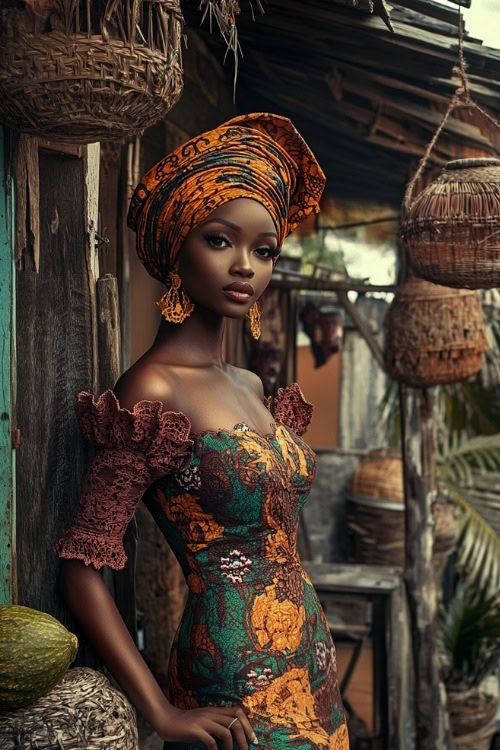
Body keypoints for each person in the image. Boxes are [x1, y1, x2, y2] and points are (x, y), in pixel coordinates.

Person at [56, 113, 349, 750]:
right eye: (220, 240)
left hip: (314, 663)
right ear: (176, 247)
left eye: (263, 249)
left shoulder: (249, 385)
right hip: (230, 685)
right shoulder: (152, 392)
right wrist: (160, 712)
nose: (245, 266)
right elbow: (82, 566)